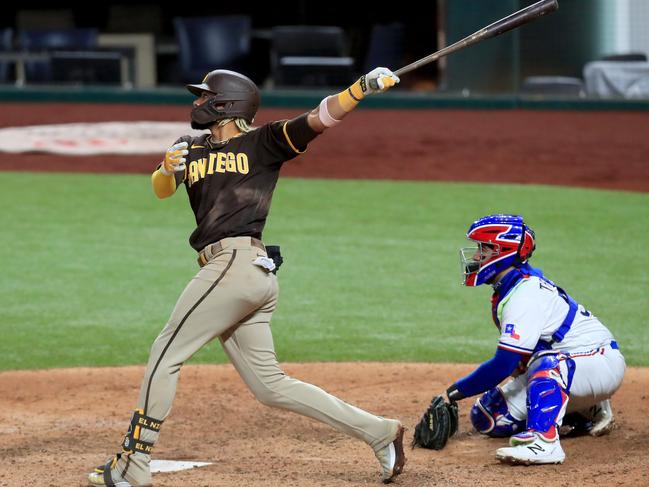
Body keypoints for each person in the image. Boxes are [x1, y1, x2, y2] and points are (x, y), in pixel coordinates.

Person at [87, 67, 406, 487]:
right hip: (244, 276)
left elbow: (319, 118)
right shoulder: (191, 146)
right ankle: (380, 431)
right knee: (270, 386)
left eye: (205, 97)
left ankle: (133, 463)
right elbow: (162, 189)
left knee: (165, 352)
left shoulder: (265, 142)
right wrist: (166, 168)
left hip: (235, 267)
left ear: (226, 104)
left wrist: (359, 89)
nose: (196, 103)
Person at [440, 214, 625, 465]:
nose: (475, 257)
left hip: (599, 362)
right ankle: (586, 408)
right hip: (573, 364)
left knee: (547, 364)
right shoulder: (510, 287)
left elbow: (502, 365)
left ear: (501, 252)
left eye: (482, 250)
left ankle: (544, 442)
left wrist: (452, 393)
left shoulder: (524, 295)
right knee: (488, 417)